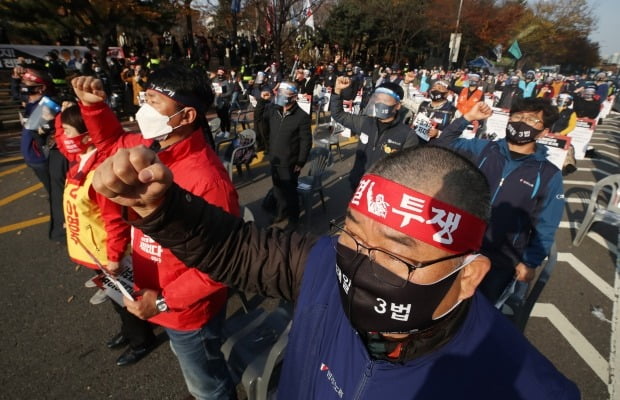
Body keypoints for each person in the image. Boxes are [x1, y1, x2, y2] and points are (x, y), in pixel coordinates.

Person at [92, 145, 580, 399]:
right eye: (353, 234)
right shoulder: (324, 263)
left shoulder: (524, 388)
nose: (362, 263)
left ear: (469, 276)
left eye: (397, 254)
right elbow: (240, 250)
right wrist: (163, 209)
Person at [71, 65, 238, 399]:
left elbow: (221, 267)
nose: (142, 109)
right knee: (192, 365)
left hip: (186, 312)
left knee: (207, 382)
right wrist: (94, 108)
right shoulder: (154, 149)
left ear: (186, 115)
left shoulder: (208, 181)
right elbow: (114, 145)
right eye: (144, 98)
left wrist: (162, 301)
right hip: (159, 297)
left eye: (153, 101)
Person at [435, 99, 564, 304]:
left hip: (501, 258)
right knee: (438, 299)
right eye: (517, 117)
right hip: (458, 242)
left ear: (543, 132)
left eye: (532, 120)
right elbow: (442, 145)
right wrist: (467, 117)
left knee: (478, 310)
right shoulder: (483, 149)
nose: (522, 123)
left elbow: (546, 223)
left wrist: (530, 262)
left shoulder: (549, 174)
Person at [55, 103, 155, 359]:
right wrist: (63, 116)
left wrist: (114, 257)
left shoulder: (101, 170)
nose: (62, 137)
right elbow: (61, 139)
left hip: (106, 253)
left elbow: (115, 221)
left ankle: (141, 340)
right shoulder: (79, 161)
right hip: (90, 251)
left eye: (67, 131)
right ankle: (129, 330)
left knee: (125, 298)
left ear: (86, 137)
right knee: (114, 297)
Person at [331, 76, 418, 190]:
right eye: (377, 99)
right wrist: (337, 91)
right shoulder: (365, 122)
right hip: (358, 184)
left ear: (397, 105)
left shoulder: (407, 135)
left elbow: (409, 168)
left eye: (386, 100)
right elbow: (339, 115)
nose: (380, 103)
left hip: (383, 190)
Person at [19, 67, 68, 241]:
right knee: (54, 195)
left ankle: (65, 229)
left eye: (29, 87)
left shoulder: (49, 105)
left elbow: (37, 134)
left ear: (41, 89)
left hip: (43, 159)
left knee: (58, 195)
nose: (25, 91)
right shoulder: (34, 104)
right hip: (35, 159)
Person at [255, 81, 312, 230]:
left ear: (293, 97)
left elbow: (306, 141)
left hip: (290, 162)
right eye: (279, 93)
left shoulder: (302, 116)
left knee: (290, 193)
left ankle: (294, 220)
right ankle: (281, 214)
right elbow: (259, 119)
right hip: (275, 159)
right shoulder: (274, 111)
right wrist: (263, 100)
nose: (281, 96)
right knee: (278, 190)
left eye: (285, 94)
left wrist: (300, 161)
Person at [213, 67, 233, 138]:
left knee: (226, 118)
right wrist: (213, 91)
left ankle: (227, 131)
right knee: (220, 118)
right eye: (219, 72)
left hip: (225, 103)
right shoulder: (215, 80)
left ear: (224, 73)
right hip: (217, 103)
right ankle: (222, 130)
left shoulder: (226, 82)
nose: (220, 74)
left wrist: (221, 95)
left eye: (221, 72)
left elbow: (230, 92)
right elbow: (212, 90)